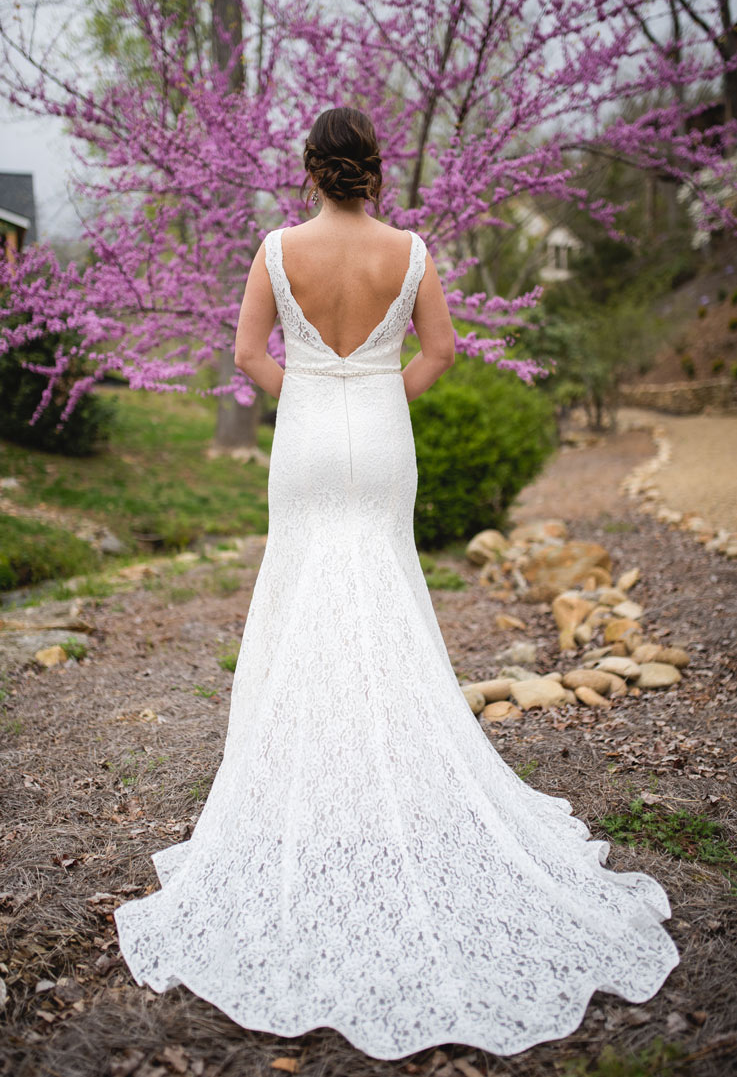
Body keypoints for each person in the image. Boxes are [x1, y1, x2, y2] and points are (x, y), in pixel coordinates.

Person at [114, 106, 679, 1061]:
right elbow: (445, 351)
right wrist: (374, 393)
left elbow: (251, 355)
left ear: (309, 171)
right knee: (381, 591)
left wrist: (316, 394)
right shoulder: (410, 250)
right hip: (380, 441)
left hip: (304, 444)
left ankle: (303, 779)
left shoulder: (274, 248)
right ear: (373, 171)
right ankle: (393, 765)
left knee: (298, 594)